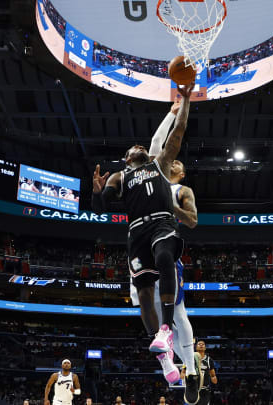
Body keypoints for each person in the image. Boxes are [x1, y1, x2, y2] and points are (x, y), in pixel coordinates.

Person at [91, 82, 200, 404]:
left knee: (178, 313)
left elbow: (170, 138)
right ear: (126, 158)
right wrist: (97, 194)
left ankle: (191, 369)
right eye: (133, 148)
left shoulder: (164, 171)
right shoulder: (120, 176)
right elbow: (101, 208)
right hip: (136, 236)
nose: (140, 147)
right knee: (142, 298)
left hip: (162, 230)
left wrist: (185, 103)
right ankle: (165, 357)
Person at [128, 99, 201, 399]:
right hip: (140, 242)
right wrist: (170, 114)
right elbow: (157, 140)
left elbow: (193, 220)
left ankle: (192, 369)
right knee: (150, 312)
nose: (176, 162)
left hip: (165, 244)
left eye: (179, 163)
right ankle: (169, 366)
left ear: (180, 172)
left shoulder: (182, 190)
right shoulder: (149, 170)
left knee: (177, 311)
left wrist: (168, 207)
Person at [188, 340, 218, 405]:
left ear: (205, 348)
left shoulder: (209, 360)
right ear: (196, 347)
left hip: (204, 390)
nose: (201, 345)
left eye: (203, 344)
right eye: (199, 344)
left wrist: (214, 379)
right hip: (193, 389)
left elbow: (213, 375)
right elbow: (184, 373)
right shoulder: (190, 359)